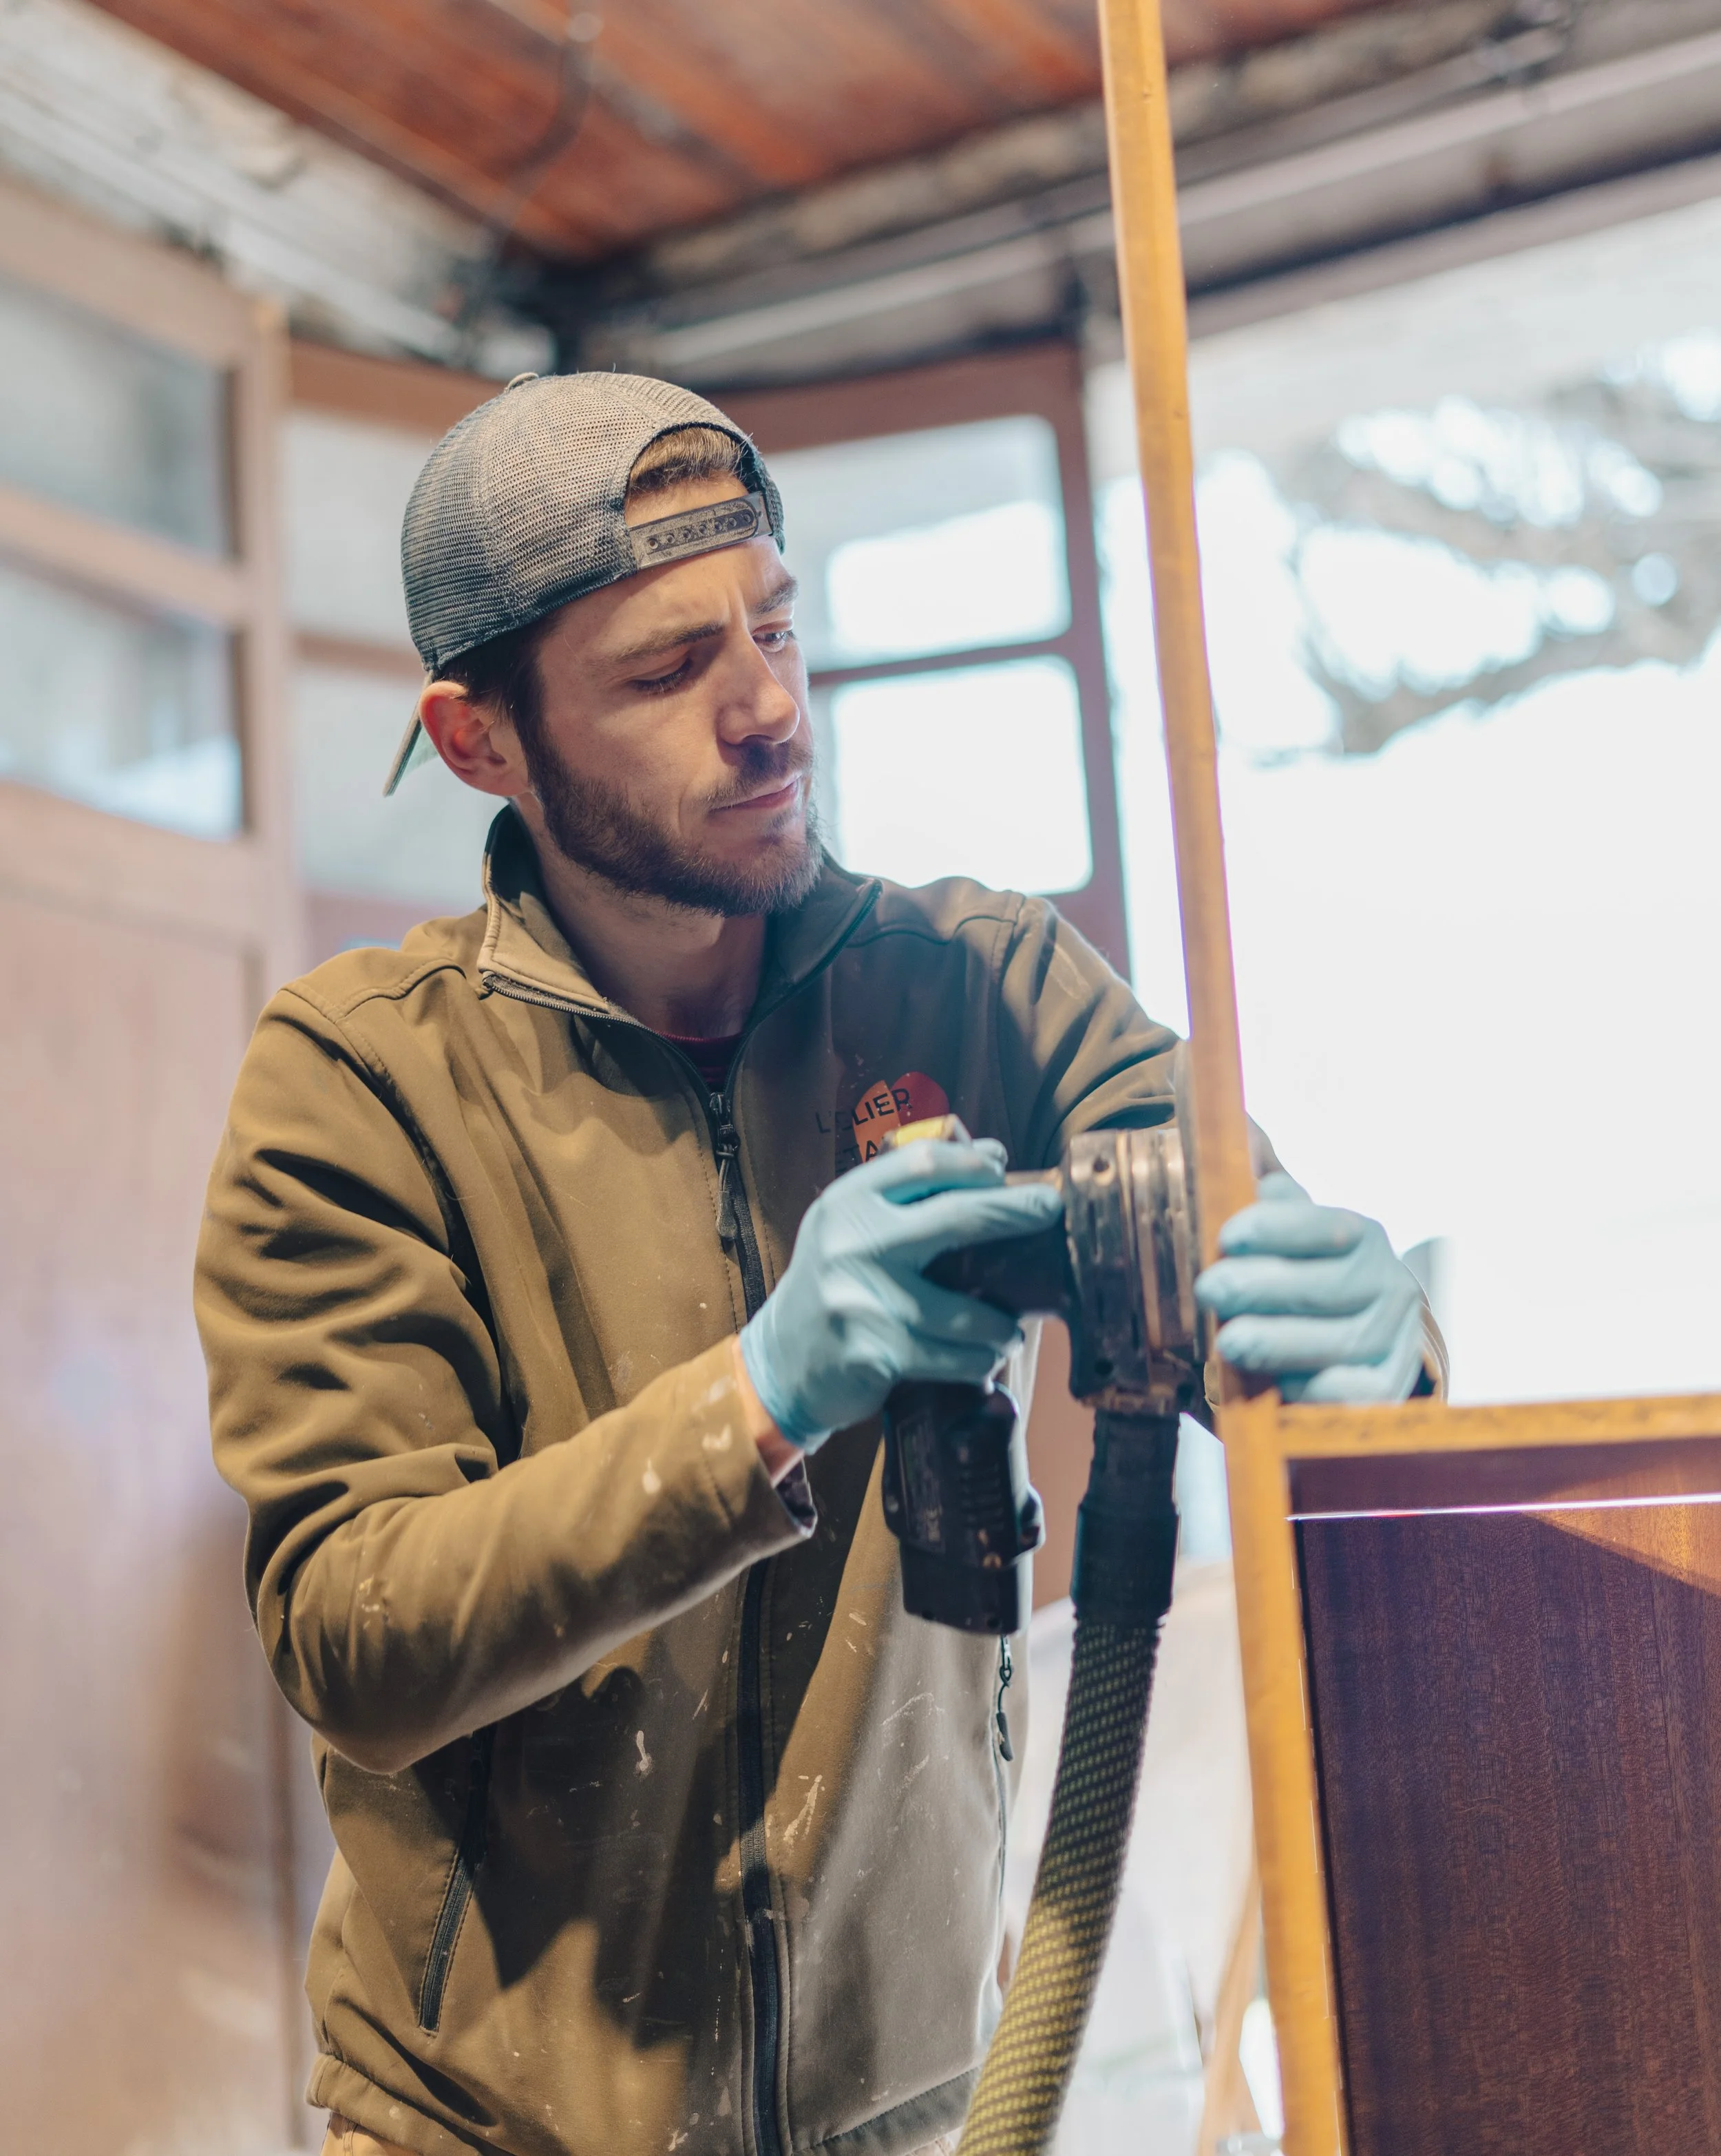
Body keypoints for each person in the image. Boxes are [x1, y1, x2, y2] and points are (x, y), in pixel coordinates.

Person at [196, 373, 1438, 2156]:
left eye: (774, 626)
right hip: (485, 2131)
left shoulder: (988, 988)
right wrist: (757, 1404)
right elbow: (354, 1634)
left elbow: (1249, 1254)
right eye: (664, 668)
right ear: (481, 742)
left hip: (914, 2110)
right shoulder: (364, 1080)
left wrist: (1378, 1367)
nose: (769, 707)